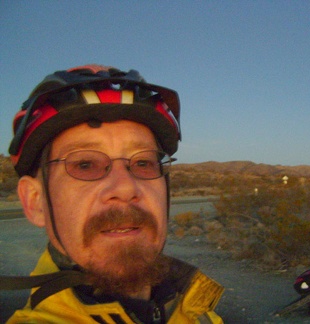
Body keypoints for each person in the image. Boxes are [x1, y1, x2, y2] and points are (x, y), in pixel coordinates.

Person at [2, 65, 224, 323]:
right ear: (35, 202)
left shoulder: (195, 309)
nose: (125, 188)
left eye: (143, 163)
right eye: (85, 164)